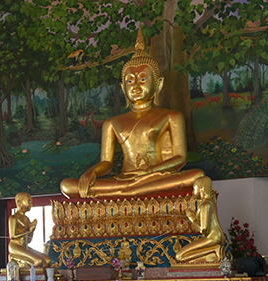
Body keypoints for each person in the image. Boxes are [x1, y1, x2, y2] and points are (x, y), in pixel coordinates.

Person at [60, 27, 210, 201]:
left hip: (157, 178)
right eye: (130, 81)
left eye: (143, 79)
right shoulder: (112, 123)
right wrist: (91, 172)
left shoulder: (171, 117)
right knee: (67, 185)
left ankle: (127, 192)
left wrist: (149, 172)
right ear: (123, 88)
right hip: (125, 179)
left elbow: (181, 158)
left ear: (158, 85)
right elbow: (107, 164)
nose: (136, 85)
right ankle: (128, 191)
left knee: (197, 175)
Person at [174, 177, 225, 263]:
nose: (193, 191)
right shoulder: (211, 202)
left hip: (211, 237)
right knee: (182, 257)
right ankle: (212, 253)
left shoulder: (205, 205)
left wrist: (192, 219)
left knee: (179, 256)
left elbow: (203, 229)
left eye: (194, 187)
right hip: (215, 236)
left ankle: (214, 251)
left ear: (202, 188)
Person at [8, 192, 51, 268]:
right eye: (29, 201)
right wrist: (29, 231)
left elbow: (28, 240)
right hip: (15, 246)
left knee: (47, 261)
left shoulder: (26, 219)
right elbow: (13, 236)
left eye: (31, 201)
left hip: (24, 246)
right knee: (38, 261)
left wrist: (32, 229)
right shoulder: (14, 218)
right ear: (19, 202)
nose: (31, 204)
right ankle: (19, 263)